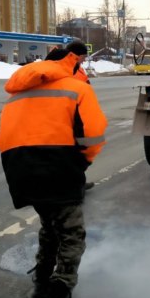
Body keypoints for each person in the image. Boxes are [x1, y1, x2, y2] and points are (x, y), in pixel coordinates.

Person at [0, 48, 107, 298]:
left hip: (19, 168)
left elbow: (7, 136)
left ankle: (42, 284)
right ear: (71, 62)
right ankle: (62, 295)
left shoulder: (17, 93)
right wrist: (81, 163)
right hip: (58, 165)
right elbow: (93, 135)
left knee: (50, 226)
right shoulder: (76, 88)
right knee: (72, 233)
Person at [64, 41, 96, 191]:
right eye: (83, 56)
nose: (84, 60)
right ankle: (76, 187)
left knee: (77, 153)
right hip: (72, 116)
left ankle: (79, 183)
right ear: (76, 55)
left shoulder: (77, 68)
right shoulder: (68, 69)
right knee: (75, 153)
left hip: (78, 114)